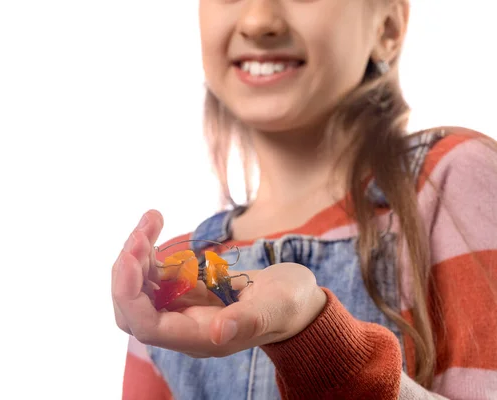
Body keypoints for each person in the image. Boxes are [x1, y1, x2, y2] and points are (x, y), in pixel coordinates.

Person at [111, 0, 497, 398]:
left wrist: (323, 347)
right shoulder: (174, 283)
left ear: (387, 27)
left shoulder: (452, 180)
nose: (258, 21)